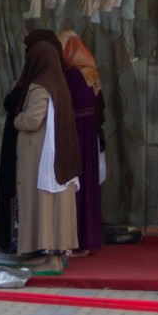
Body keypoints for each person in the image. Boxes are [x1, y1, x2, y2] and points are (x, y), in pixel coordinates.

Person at [13, 29, 81, 273]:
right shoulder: (57, 81)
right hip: (53, 156)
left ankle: (52, 258)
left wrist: (16, 119)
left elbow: (33, 120)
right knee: (52, 205)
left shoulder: (41, 85)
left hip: (43, 157)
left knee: (47, 204)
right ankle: (47, 256)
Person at [57, 29, 105, 256]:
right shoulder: (92, 73)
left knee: (75, 186)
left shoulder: (73, 75)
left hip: (75, 134)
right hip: (89, 135)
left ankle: (74, 240)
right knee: (88, 185)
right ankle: (87, 240)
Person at [0, 83, 24, 254]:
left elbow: (11, 103)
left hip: (20, 144)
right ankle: (11, 239)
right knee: (10, 185)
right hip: (17, 143)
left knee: (13, 186)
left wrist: (15, 88)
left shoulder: (31, 85)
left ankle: (14, 240)